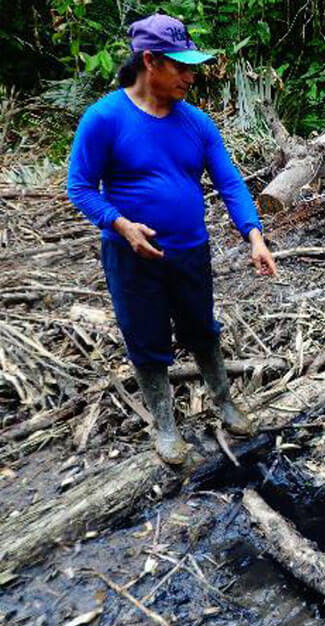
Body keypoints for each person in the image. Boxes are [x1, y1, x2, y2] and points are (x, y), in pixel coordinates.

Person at [67, 13, 277, 465]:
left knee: (202, 328)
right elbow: (80, 187)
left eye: (191, 66)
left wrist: (254, 235)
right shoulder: (105, 118)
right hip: (131, 256)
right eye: (180, 66)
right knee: (146, 337)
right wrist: (120, 223)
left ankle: (223, 401)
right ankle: (164, 423)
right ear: (150, 62)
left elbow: (231, 183)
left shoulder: (196, 123)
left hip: (189, 250)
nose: (190, 76)